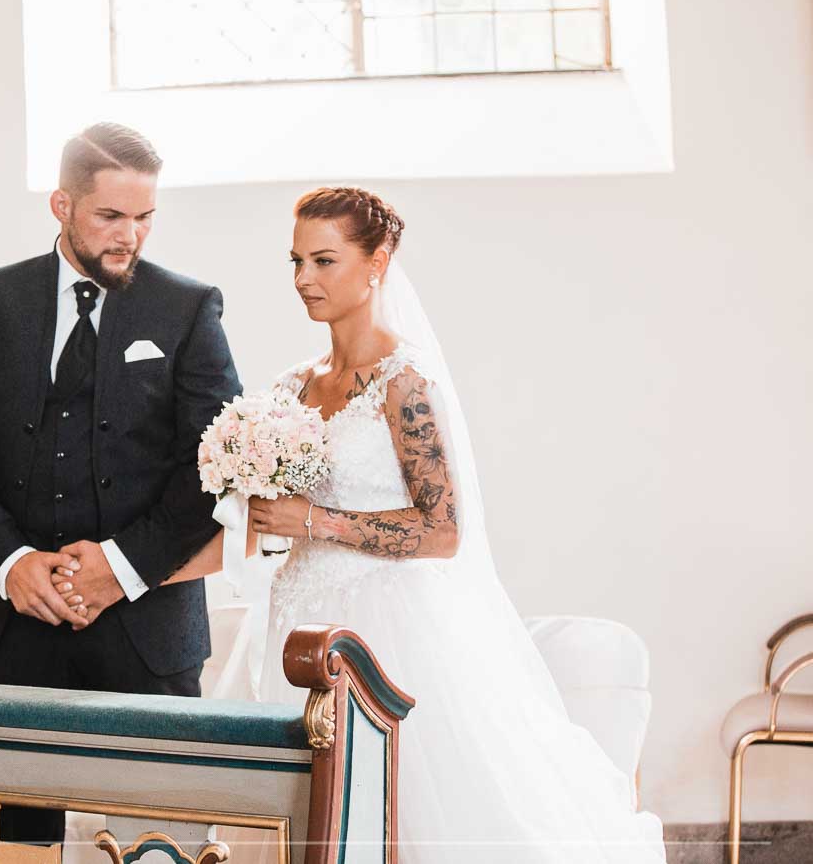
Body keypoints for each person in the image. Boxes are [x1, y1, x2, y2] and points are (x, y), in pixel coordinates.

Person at [60, 187, 667, 862]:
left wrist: (315, 520)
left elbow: (443, 531)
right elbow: (250, 528)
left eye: (323, 260)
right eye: (295, 261)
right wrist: (118, 576)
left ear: (377, 261)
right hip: (295, 629)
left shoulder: (404, 384)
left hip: (389, 635)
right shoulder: (292, 388)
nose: (303, 280)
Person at [0, 122, 241, 843]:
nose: (130, 235)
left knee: (160, 839)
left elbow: (215, 465)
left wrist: (120, 567)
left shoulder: (188, 308)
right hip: (19, 623)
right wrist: (10, 561)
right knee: (20, 841)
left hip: (148, 632)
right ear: (62, 205)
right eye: (110, 216)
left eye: (145, 217)